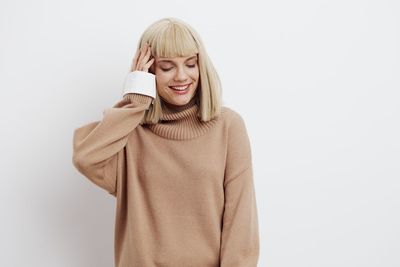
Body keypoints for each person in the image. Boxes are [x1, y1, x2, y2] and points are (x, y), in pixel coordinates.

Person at [72, 17, 259, 267]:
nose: (182, 77)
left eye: (190, 64)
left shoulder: (228, 126)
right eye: (167, 67)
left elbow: (241, 223)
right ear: (148, 72)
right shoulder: (129, 133)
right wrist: (136, 101)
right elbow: (86, 158)